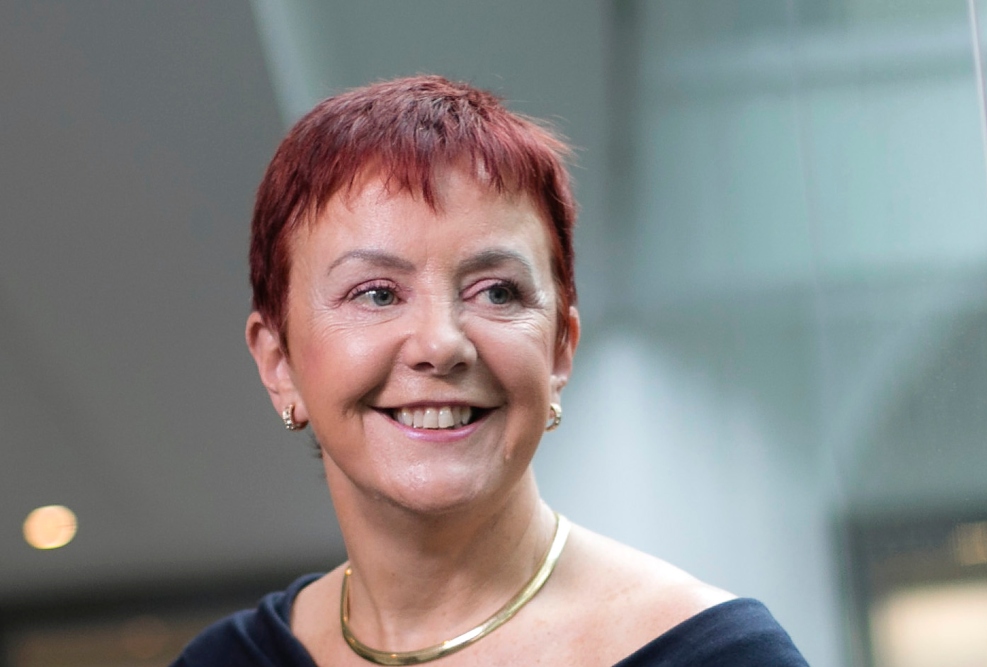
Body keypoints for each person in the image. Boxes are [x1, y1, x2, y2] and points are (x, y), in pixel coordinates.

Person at [173, 75, 808, 666]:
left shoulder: (713, 655)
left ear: (560, 348)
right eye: (376, 293)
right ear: (278, 362)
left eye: (497, 292)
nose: (441, 345)